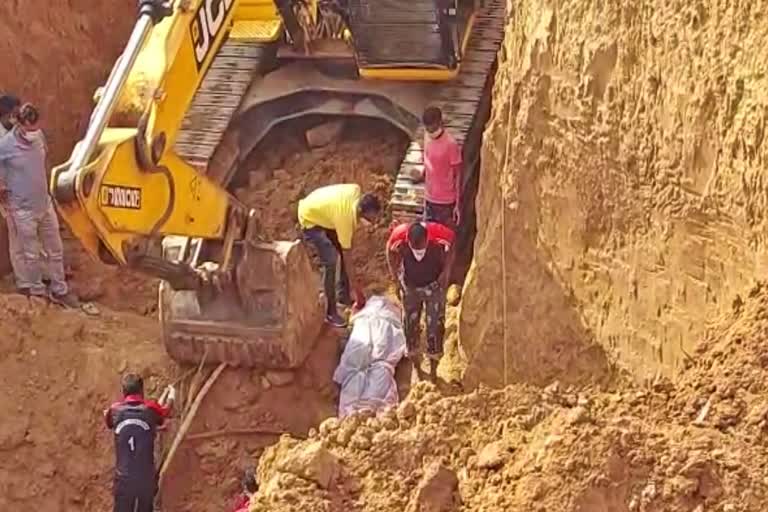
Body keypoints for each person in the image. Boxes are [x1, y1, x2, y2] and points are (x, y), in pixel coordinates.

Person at [0, 103, 79, 306]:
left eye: (36, 127)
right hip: (22, 210)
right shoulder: (5, 147)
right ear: (19, 124)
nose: (33, 132)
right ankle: (36, 291)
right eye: (29, 128)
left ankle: (59, 289)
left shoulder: (39, 137)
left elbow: (43, 162)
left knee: (56, 249)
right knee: (31, 254)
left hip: (44, 204)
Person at [298, 183, 382, 327]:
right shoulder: (345, 220)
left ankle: (343, 296)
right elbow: (347, 258)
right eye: (372, 217)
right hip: (309, 217)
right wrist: (358, 291)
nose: (374, 221)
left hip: (323, 211)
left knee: (341, 247)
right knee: (331, 259)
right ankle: (330, 312)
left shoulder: (356, 190)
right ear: (361, 210)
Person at [386, 221, 455, 380]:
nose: (418, 251)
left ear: (427, 239)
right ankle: (416, 366)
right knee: (410, 326)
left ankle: (433, 370)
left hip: (433, 286)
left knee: (435, 326)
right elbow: (389, 249)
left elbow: (452, 245)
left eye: (421, 247)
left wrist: (446, 271)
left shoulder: (439, 233)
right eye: (414, 248)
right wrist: (395, 278)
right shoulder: (399, 235)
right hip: (410, 287)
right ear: (408, 241)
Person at [104, 373, 176, 512]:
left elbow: (110, 423)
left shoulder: (114, 410)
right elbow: (165, 412)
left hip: (123, 477)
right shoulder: (150, 409)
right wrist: (172, 394)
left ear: (124, 392)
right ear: (142, 391)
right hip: (145, 477)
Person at [420, 106, 462, 230]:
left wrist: (458, 204)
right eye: (426, 128)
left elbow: (458, 174)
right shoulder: (427, 136)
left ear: (439, 123)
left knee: (446, 238)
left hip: (446, 202)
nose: (429, 131)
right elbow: (427, 157)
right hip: (429, 198)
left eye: (431, 127)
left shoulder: (451, 145)